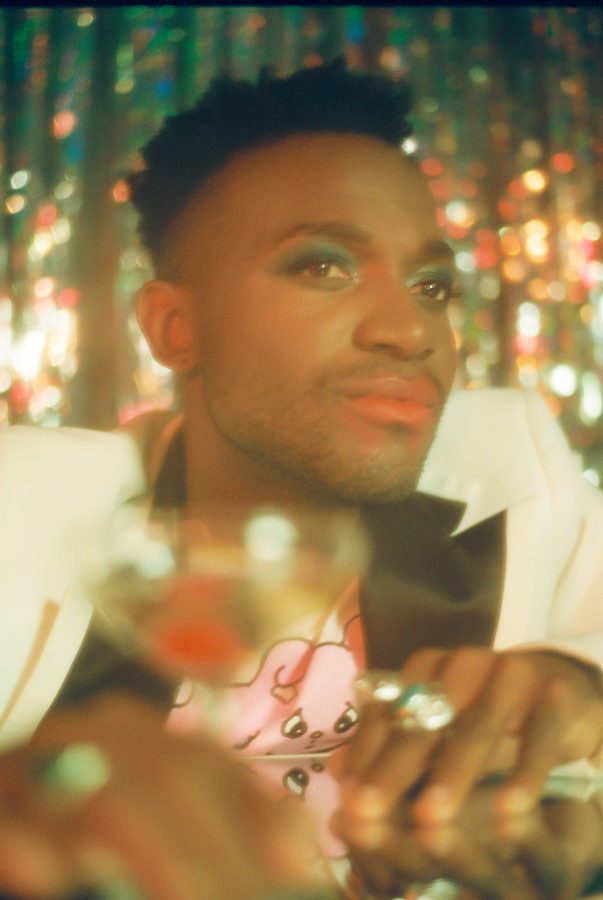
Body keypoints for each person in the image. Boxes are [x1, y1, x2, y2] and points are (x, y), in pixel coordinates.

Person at [2, 58, 603, 897]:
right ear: (174, 327)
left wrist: (579, 687)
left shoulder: (508, 455)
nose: (410, 331)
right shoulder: (25, 499)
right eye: (324, 266)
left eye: (433, 286)